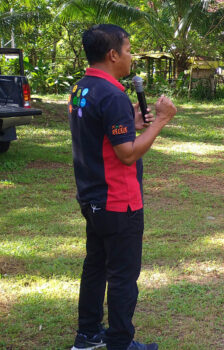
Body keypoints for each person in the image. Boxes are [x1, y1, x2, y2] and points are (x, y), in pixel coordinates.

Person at [70, 24, 177, 350]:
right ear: (113, 54)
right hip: (119, 201)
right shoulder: (113, 94)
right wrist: (160, 121)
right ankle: (120, 342)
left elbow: (101, 133)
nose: (131, 57)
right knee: (122, 276)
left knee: (96, 266)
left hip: (91, 196)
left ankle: (87, 335)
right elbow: (127, 154)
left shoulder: (82, 88)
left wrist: (129, 120)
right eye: (128, 50)